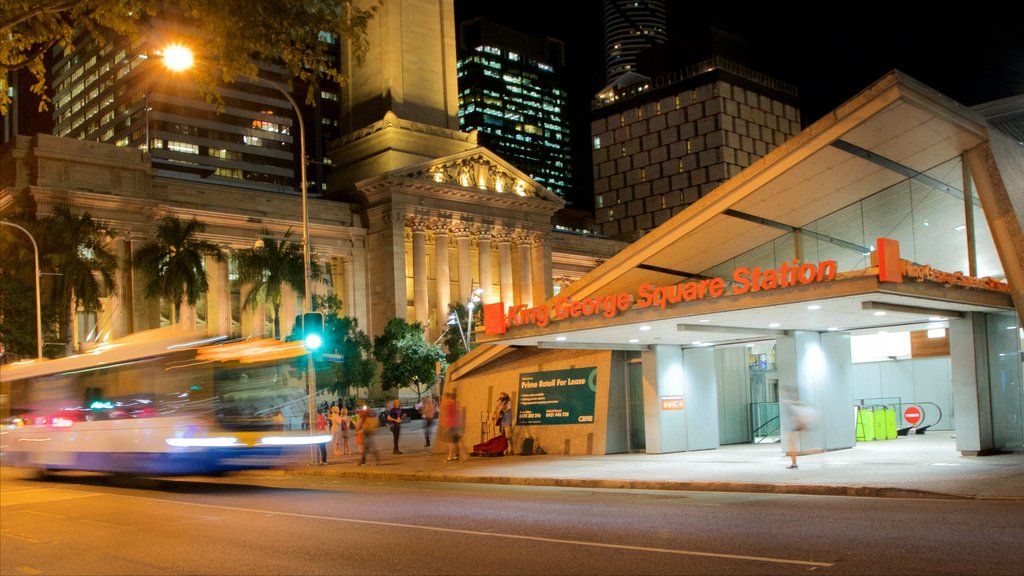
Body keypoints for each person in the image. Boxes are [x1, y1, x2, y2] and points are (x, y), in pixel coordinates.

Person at [786, 399, 811, 469]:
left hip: (797, 428)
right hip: (797, 428)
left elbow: (801, 420)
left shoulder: (797, 411)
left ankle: (794, 464)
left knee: (791, 445)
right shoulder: (798, 410)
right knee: (791, 445)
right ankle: (794, 464)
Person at [440, 391, 461, 462]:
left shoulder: (447, 403)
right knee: (455, 441)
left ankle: (450, 456)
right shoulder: (455, 403)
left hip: (449, 424)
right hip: (455, 423)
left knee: (450, 441)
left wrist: (442, 424)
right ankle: (456, 455)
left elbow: (445, 414)